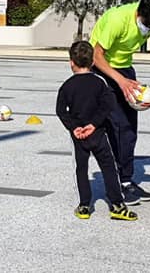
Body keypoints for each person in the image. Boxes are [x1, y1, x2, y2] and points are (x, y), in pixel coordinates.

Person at [89, 0, 150, 205]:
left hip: (124, 69)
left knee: (129, 130)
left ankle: (126, 180)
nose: (148, 31)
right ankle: (118, 183)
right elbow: (96, 55)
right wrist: (121, 82)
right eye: (146, 26)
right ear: (138, 13)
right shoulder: (118, 20)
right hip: (102, 69)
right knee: (118, 127)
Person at [55, 41, 138, 222]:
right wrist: (94, 124)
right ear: (93, 62)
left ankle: (84, 205)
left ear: (71, 63)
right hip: (98, 132)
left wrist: (74, 127)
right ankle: (117, 204)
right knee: (109, 167)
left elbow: (61, 110)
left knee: (81, 169)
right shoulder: (100, 82)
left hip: (78, 135)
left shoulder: (67, 86)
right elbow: (108, 104)